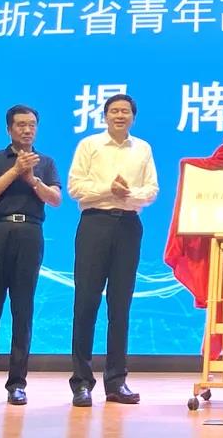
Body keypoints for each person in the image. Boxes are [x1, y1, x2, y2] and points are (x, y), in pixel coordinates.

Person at [0, 105, 61, 407]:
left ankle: (17, 384)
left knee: (23, 311)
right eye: (20, 125)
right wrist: (15, 171)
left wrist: (32, 179)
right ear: (9, 129)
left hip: (30, 233)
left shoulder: (46, 162)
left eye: (32, 125)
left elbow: (55, 199)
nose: (27, 130)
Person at [67, 93, 158, 407]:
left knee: (120, 306)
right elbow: (75, 187)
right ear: (105, 116)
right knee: (86, 302)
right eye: (114, 111)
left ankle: (116, 381)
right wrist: (109, 189)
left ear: (133, 117)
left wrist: (127, 194)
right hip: (95, 223)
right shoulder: (89, 145)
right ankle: (81, 382)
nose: (120, 115)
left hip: (129, 226)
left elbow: (151, 190)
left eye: (125, 111)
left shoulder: (143, 148)